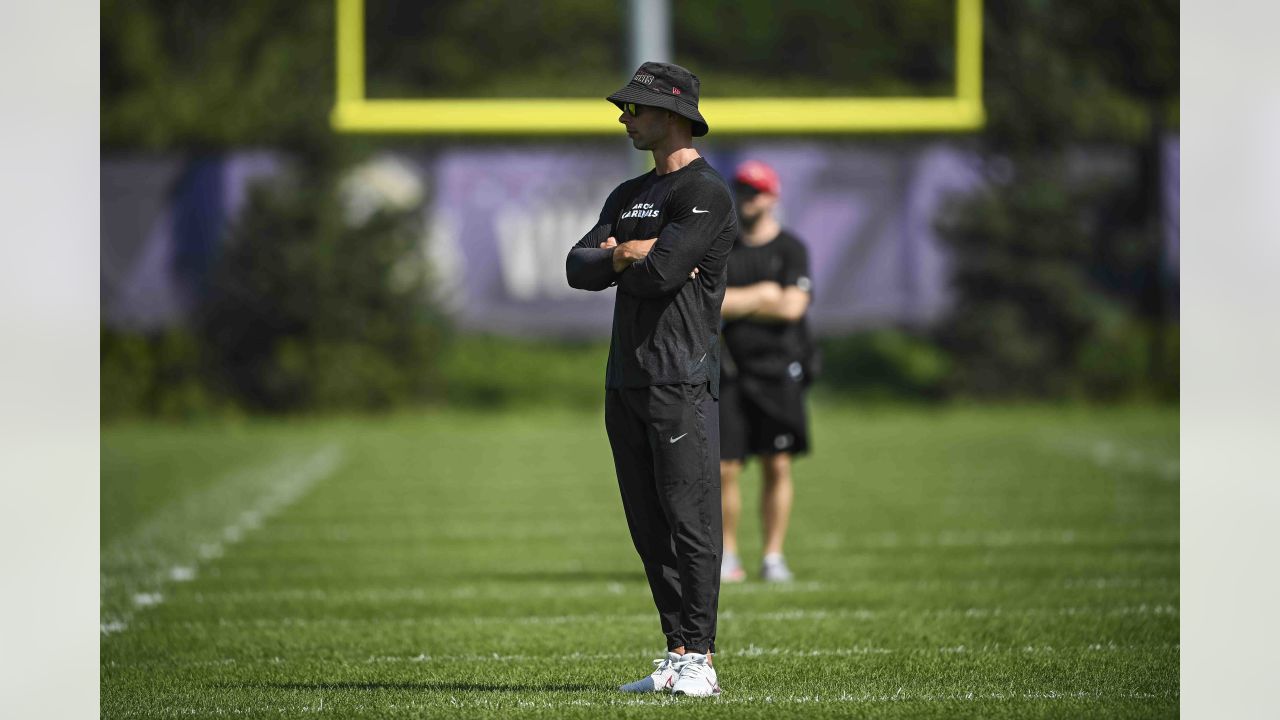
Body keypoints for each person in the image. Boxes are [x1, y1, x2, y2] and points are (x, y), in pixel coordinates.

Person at [565, 61, 736, 697]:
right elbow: (577, 266)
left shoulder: (706, 193)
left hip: (680, 379)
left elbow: (663, 274)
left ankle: (703, 660)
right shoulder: (626, 195)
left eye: (635, 108)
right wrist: (621, 254)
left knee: (690, 520)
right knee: (646, 523)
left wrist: (634, 258)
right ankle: (677, 650)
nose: (624, 117)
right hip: (626, 378)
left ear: (672, 115)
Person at [717, 160, 814, 584]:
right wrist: (762, 293)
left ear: (773, 196)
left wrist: (742, 301)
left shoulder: (790, 248)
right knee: (724, 468)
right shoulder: (723, 247)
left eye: (756, 190)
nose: (748, 197)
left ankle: (773, 556)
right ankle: (728, 556)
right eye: (742, 189)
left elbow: (793, 307)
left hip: (777, 373)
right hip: (730, 373)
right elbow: (711, 303)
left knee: (777, 464)